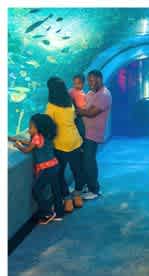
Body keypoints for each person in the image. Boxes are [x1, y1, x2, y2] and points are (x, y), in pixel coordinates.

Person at [9, 114, 63, 224]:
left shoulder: (37, 137)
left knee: (36, 190)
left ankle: (47, 212)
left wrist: (18, 145)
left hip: (46, 169)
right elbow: (32, 143)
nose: (29, 130)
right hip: (55, 165)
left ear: (39, 128)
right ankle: (59, 212)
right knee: (56, 189)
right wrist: (14, 138)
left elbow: (27, 150)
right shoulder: (45, 136)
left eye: (31, 127)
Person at [45, 76, 85, 214]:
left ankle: (67, 200)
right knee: (78, 170)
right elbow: (74, 118)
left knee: (59, 173)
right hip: (75, 141)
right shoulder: (70, 102)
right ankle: (78, 196)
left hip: (59, 144)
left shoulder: (51, 106)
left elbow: (48, 124)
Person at [76, 70, 111, 200]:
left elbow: (91, 113)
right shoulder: (90, 93)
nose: (90, 83)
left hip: (93, 134)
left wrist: (76, 111)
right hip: (84, 132)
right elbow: (85, 107)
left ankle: (94, 190)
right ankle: (87, 185)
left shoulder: (104, 94)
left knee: (89, 161)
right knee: (84, 161)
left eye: (92, 80)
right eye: (89, 80)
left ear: (100, 79)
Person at [69, 73, 87, 138]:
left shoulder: (72, 91)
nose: (76, 85)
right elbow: (82, 106)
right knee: (82, 132)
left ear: (83, 83)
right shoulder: (74, 92)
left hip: (78, 115)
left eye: (78, 83)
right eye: (75, 83)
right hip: (79, 116)